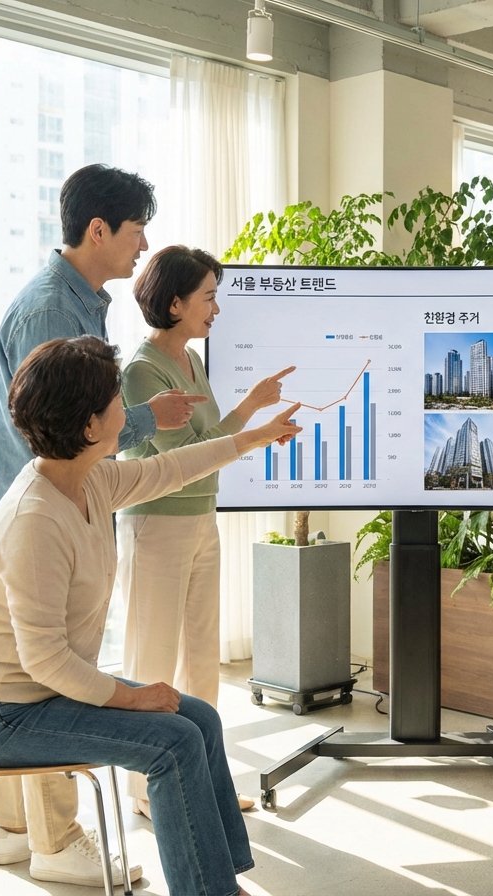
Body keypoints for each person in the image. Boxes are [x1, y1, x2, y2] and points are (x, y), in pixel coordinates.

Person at [0, 335, 301, 896]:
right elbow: (43, 659)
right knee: (174, 741)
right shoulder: (36, 519)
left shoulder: (85, 480)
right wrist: (131, 696)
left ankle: (222, 881)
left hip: (40, 697)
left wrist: (255, 437)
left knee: (201, 720)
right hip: (2, 715)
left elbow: (168, 470)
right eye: (117, 399)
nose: (130, 409)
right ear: (90, 426)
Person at [0, 163, 204, 884]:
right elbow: (59, 425)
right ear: (98, 229)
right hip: (43, 517)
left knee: (30, 666)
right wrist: (144, 420)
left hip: (53, 507)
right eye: (137, 230)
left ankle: (16, 831)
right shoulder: (51, 309)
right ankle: (58, 839)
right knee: (46, 678)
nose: (143, 247)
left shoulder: (80, 300)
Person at [117, 245, 293, 817]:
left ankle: (207, 783)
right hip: (156, 527)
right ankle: (148, 792)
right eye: (209, 297)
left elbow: (207, 439)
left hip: (200, 520)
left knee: (202, 663)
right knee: (154, 662)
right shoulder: (143, 369)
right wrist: (255, 432)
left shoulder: (192, 362)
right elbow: (183, 457)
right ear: (175, 302)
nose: (217, 308)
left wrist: (250, 408)